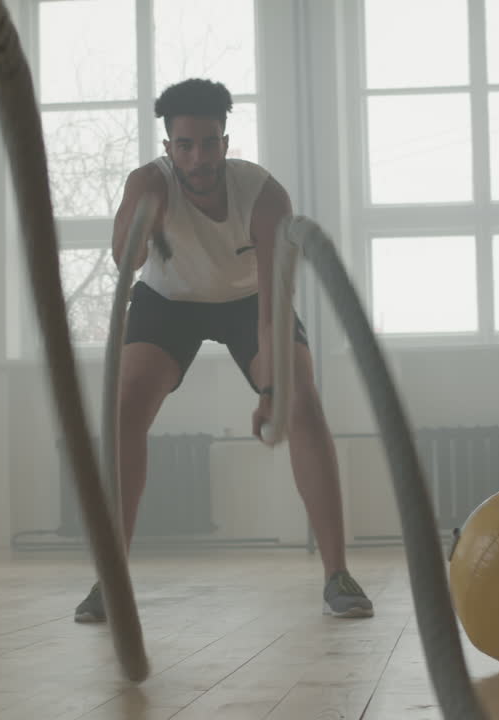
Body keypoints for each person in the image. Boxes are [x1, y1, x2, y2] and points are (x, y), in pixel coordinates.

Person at [74, 78, 373, 623]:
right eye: (184, 145)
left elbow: (274, 299)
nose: (198, 157)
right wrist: (141, 220)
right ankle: (109, 578)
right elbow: (125, 261)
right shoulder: (149, 181)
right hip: (168, 301)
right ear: (169, 148)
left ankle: (337, 574)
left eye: (209, 143)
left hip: (249, 301)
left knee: (302, 404)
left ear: (225, 143)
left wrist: (271, 390)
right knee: (124, 410)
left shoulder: (263, 195)